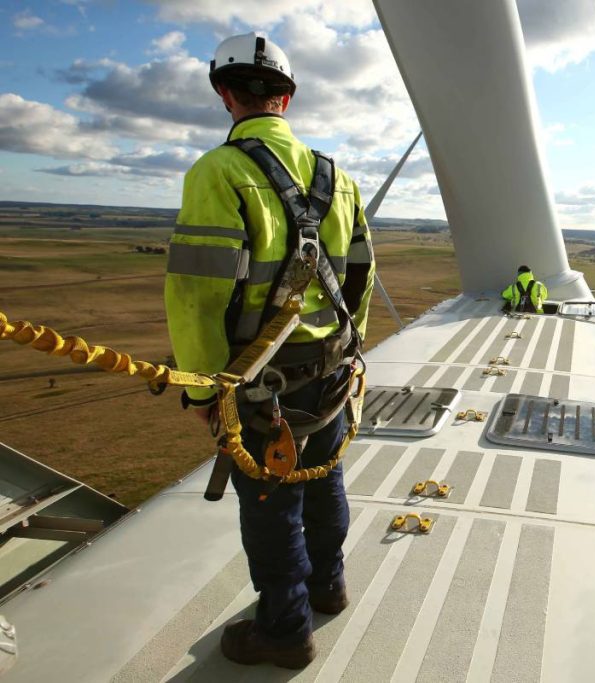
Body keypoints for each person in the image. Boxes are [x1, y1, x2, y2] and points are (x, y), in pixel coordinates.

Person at [164, 33, 374, 669]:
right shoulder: (339, 179)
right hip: (331, 370)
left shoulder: (218, 172)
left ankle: (284, 631)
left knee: (269, 501)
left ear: (226, 96)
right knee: (324, 476)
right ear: (286, 97)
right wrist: (348, 351)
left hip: (260, 384)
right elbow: (361, 276)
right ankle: (328, 587)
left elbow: (199, 296)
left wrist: (205, 390)